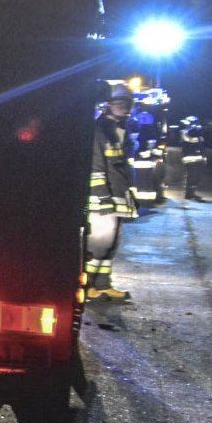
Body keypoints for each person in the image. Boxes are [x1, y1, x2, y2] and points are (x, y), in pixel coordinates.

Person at [86, 85, 137, 301]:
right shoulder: (99, 130)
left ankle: (103, 284)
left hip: (117, 196)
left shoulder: (118, 129)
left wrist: (129, 196)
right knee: (98, 244)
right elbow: (96, 166)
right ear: (107, 105)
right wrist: (103, 197)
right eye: (120, 103)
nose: (124, 107)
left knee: (112, 244)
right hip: (103, 200)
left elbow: (121, 167)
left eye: (127, 104)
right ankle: (86, 285)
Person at [176, 114, 207, 201]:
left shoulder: (196, 132)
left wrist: (203, 156)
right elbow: (191, 140)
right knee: (192, 177)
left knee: (195, 177)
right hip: (190, 158)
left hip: (197, 158)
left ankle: (191, 193)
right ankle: (189, 194)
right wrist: (198, 137)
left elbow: (201, 146)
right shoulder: (186, 132)